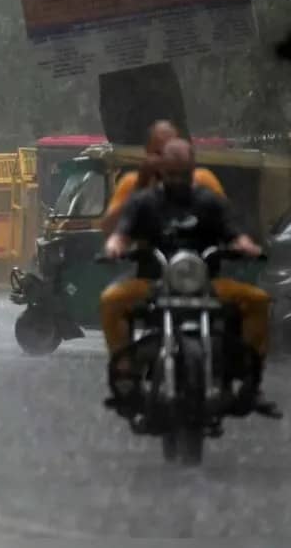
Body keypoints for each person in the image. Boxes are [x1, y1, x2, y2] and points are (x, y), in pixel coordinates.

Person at [102, 139, 276, 414]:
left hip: (207, 283)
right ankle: (126, 373)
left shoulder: (208, 200)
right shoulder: (144, 202)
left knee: (258, 300)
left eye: (182, 173)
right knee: (112, 300)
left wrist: (245, 245)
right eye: (170, 173)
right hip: (154, 282)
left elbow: (233, 229)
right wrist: (116, 247)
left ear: (191, 169)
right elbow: (122, 232)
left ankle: (250, 379)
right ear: (161, 171)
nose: (176, 180)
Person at [101, 120, 224, 235]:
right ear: (147, 152)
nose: (167, 161)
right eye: (159, 154)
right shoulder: (132, 182)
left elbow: (226, 221)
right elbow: (108, 228)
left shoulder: (202, 179)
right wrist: (141, 185)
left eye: (172, 153)